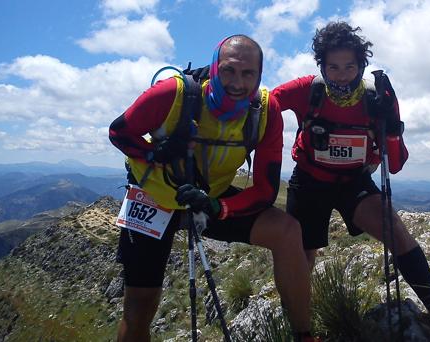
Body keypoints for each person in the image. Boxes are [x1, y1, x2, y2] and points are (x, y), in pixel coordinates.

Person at [109, 35, 316, 342]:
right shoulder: (172, 94)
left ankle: (304, 335)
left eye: (248, 74)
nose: (237, 82)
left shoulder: (264, 110)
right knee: (140, 304)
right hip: (153, 198)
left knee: (287, 231)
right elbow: (119, 132)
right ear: (215, 68)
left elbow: (265, 189)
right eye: (229, 70)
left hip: (208, 199)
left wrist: (218, 207)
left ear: (259, 76)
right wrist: (156, 153)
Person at [272, 22, 430, 339]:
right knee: (301, 255)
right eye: (333, 66)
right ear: (321, 66)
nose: (342, 74)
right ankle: (300, 328)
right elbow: (265, 104)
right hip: (309, 181)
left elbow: (396, 162)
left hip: (354, 183)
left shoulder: (378, 96)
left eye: (350, 66)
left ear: (362, 64)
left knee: (396, 231)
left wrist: (386, 128)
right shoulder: (308, 89)